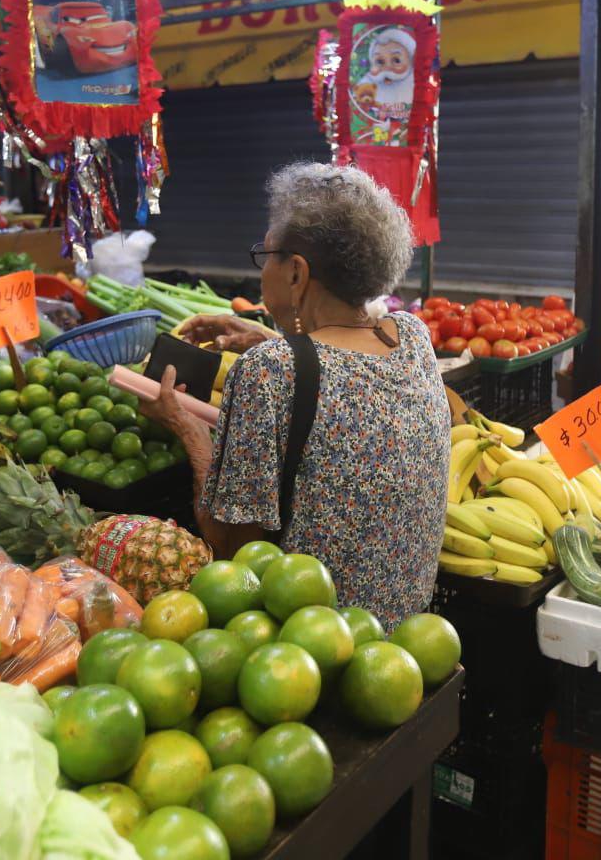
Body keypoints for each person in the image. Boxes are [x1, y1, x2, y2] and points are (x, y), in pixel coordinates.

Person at [142, 162, 450, 627]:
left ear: (296, 274)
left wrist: (185, 426)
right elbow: (347, 380)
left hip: (312, 647)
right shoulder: (411, 337)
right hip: (406, 636)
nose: (263, 268)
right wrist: (270, 336)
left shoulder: (268, 374)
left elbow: (233, 548)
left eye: (266, 255)